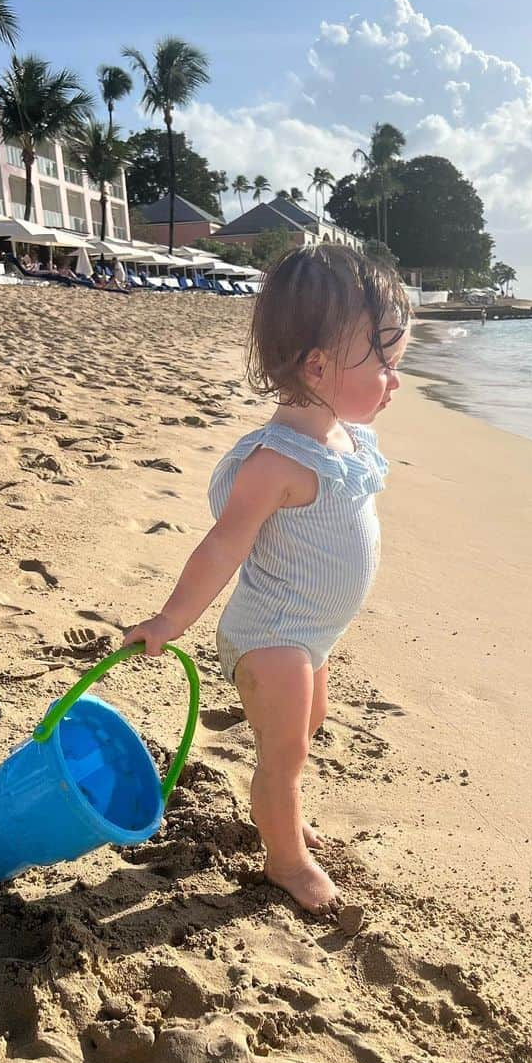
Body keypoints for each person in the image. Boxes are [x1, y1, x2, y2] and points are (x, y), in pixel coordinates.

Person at [121, 245, 411, 913]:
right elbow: (222, 548)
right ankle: (286, 858)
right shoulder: (275, 462)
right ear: (318, 365)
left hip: (313, 632)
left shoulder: (344, 440)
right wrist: (170, 622)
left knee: (306, 731)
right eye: (386, 365)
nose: (395, 382)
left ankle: (285, 820)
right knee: (281, 754)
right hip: (273, 634)